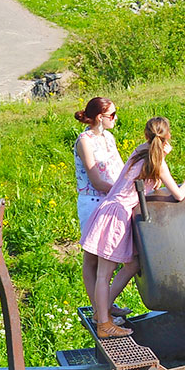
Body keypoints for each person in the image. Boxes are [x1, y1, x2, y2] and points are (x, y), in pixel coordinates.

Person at [79, 116, 185, 338]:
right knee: (104, 273)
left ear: (146, 135)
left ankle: (104, 308)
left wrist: (163, 151)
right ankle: (103, 323)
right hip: (117, 215)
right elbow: (179, 195)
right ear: (167, 136)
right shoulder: (158, 161)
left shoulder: (139, 151)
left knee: (131, 265)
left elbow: (149, 157)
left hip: (109, 208)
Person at [72, 97, 123, 314]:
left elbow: (120, 168)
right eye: (111, 115)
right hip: (93, 202)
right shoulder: (84, 141)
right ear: (100, 118)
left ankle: (104, 307)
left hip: (110, 200)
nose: (115, 118)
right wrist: (122, 190)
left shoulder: (108, 137)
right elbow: (96, 180)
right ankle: (99, 310)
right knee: (93, 259)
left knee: (108, 259)